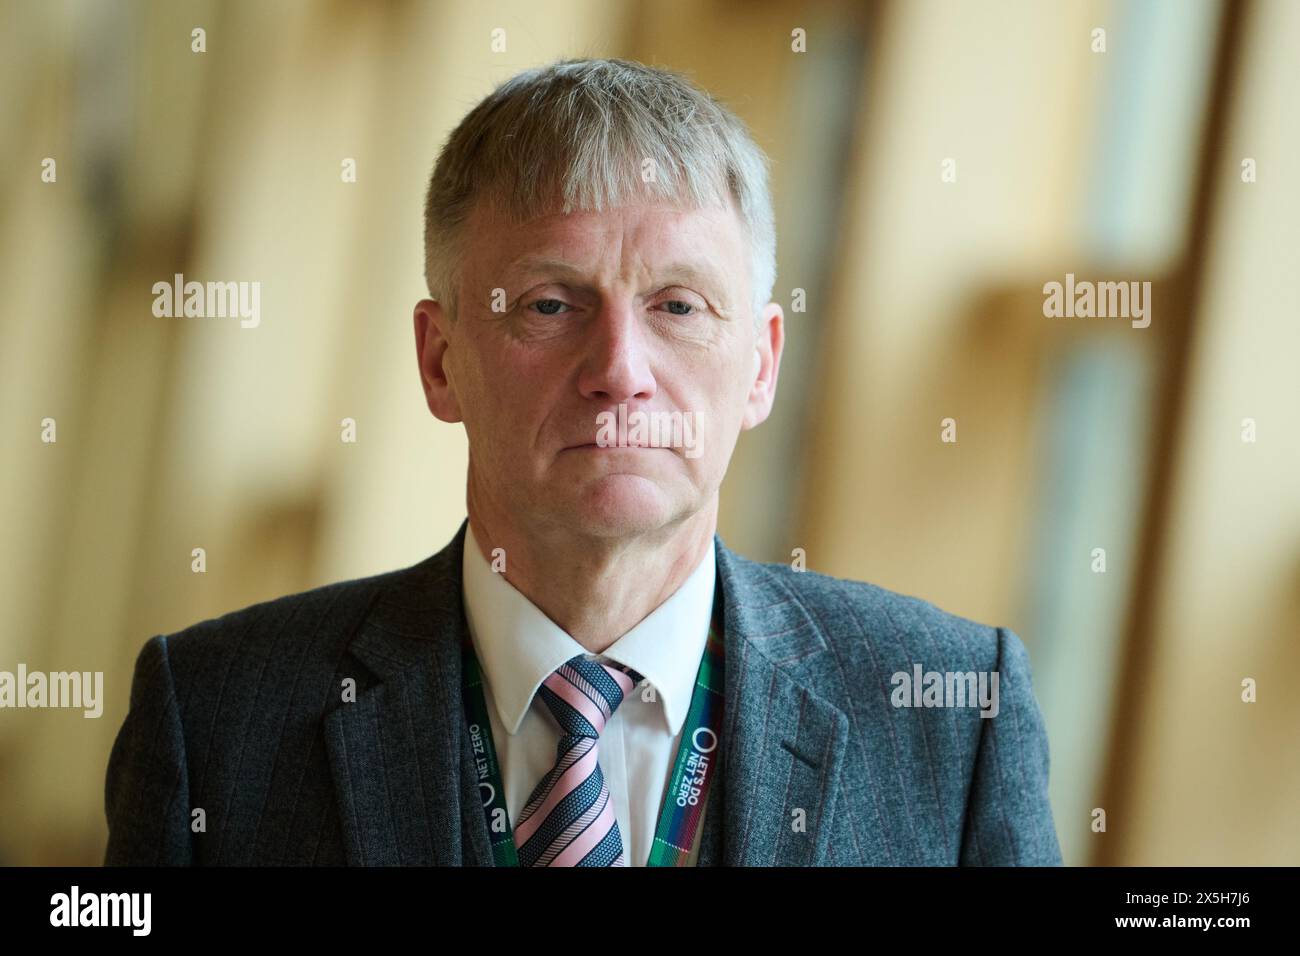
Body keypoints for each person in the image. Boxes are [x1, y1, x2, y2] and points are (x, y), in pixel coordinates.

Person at [103, 57, 1062, 867]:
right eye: (550, 305)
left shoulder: (951, 714)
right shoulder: (218, 717)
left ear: (762, 364)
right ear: (442, 363)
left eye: (679, 306)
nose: (619, 373)